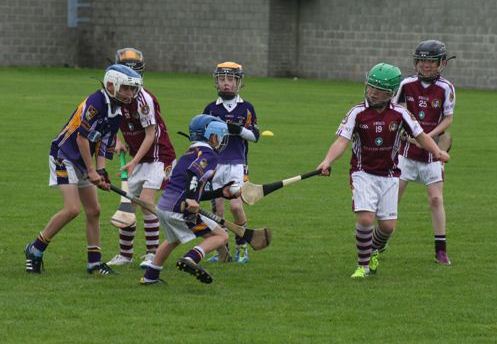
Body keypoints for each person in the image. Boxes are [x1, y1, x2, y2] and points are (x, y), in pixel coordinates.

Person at [316, 63, 450, 279]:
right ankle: (363, 265)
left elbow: (421, 136)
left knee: (387, 227)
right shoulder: (357, 112)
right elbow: (342, 141)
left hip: (389, 175)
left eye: (378, 90)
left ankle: (375, 249)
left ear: (390, 93)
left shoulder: (400, 113)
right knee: (366, 220)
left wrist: (437, 152)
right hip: (362, 172)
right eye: (370, 87)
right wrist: (327, 161)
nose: (372, 92)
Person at [24, 64, 143, 275]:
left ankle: (94, 263)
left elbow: (106, 142)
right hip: (64, 156)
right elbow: (81, 138)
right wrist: (91, 171)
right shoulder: (96, 102)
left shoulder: (117, 110)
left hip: (84, 161)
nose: (130, 93)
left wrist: (102, 171)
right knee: (72, 209)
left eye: (132, 89)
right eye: (125, 88)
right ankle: (35, 248)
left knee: (94, 211)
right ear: (110, 84)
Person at [140, 114, 240, 285]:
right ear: (212, 136)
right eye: (221, 137)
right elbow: (193, 173)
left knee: (173, 240)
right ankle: (190, 258)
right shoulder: (208, 154)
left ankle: (150, 276)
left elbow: (192, 184)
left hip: (165, 206)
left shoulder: (191, 152)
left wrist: (219, 193)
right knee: (221, 236)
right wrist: (190, 199)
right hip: (180, 208)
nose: (222, 141)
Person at [105, 48, 177, 269]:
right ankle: (125, 255)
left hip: (158, 155)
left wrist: (134, 161)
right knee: (129, 204)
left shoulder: (144, 99)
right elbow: (111, 123)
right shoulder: (114, 95)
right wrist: (117, 141)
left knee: (146, 202)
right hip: (137, 156)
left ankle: (151, 254)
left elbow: (151, 134)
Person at [389, 40, 456, 265]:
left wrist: (427, 136)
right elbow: (394, 112)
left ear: (441, 63)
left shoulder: (446, 88)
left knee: (436, 200)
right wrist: (410, 134)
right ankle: (380, 241)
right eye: (422, 61)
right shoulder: (406, 84)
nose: (426, 65)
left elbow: (448, 119)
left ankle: (440, 249)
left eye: (431, 61)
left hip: (431, 154)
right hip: (405, 153)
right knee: (392, 200)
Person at [202, 61, 260, 264]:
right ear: (216, 82)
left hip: (237, 163)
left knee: (235, 207)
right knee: (217, 209)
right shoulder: (210, 109)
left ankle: (242, 247)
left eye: (230, 80)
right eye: (221, 79)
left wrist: (237, 129)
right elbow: (203, 138)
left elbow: (255, 136)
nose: (226, 83)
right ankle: (222, 251)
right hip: (215, 165)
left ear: (238, 83)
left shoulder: (246, 108)